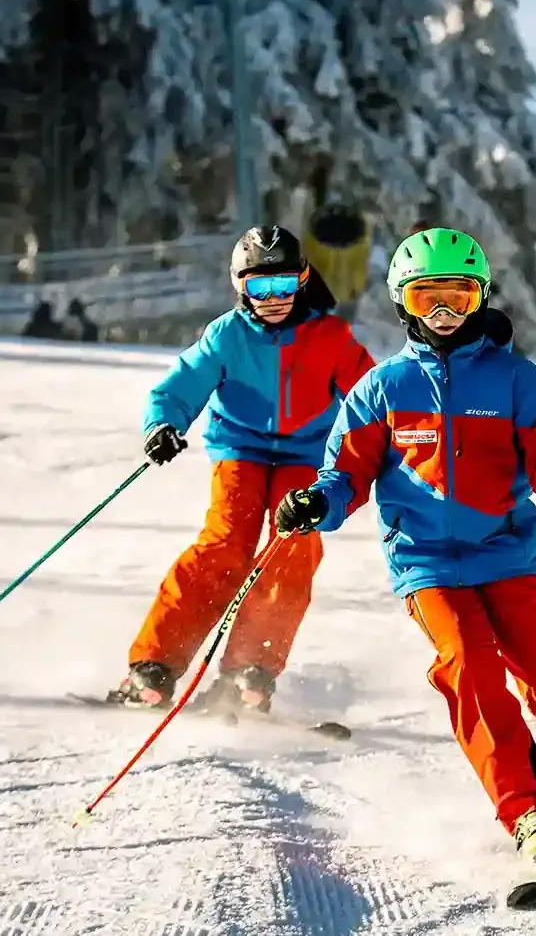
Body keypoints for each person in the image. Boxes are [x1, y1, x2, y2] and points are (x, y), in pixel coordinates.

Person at [270, 228, 536, 883]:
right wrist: (318, 501)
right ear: (404, 303)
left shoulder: (516, 380)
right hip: (426, 562)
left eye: (458, 297)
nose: (444, 314)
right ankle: (531, 813)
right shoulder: (384, 388)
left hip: (508, 555)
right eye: (428, 298)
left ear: (480, 298)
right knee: (470, 667)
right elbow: (344, 473)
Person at [107, 224, 375, 714]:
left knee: (291, 544)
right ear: (240, 287)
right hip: (241, 449)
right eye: (259, 287)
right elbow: (179, 386)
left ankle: (251, 668)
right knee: (226, 542)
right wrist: (162, 425)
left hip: (305, 455)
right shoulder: (226, 336)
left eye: (283, 285)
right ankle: (156, 664)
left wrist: (385, 443)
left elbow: (371, 395)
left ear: (303, 279)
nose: (273, 299)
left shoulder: (330, 337)